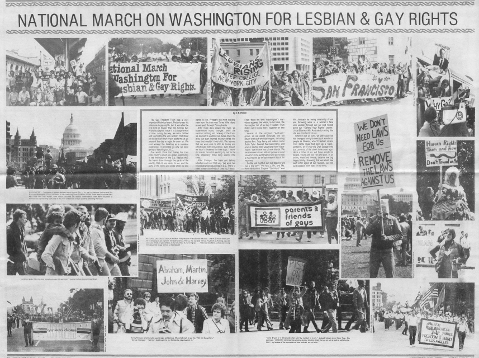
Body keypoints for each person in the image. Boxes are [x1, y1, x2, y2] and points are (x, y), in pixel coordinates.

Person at [364, 203, 402, 278]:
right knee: (373, 275)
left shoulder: (393, 220)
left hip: (388, 251)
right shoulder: (373, 219)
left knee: (390, 275)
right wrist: (377, 219)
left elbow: (399, 235)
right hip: (375, 251)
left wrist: (388, 238)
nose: (385, 215)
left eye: (386, 213)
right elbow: (367, 232)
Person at [42, 210, 81, 275]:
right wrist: (55, 267)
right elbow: (45, 255)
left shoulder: (70, 237)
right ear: (75, 225)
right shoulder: (58, 237)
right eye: (79, 225)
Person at [7, 209, 28, 275]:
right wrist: (24, 257)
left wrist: (25, 254)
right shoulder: (10, 230)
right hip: (13, 260)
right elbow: (15, 247)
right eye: (24, 218)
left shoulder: (21, 228)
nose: (26, 220)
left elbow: (23, 244)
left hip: (19, 258)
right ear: (19, 218)